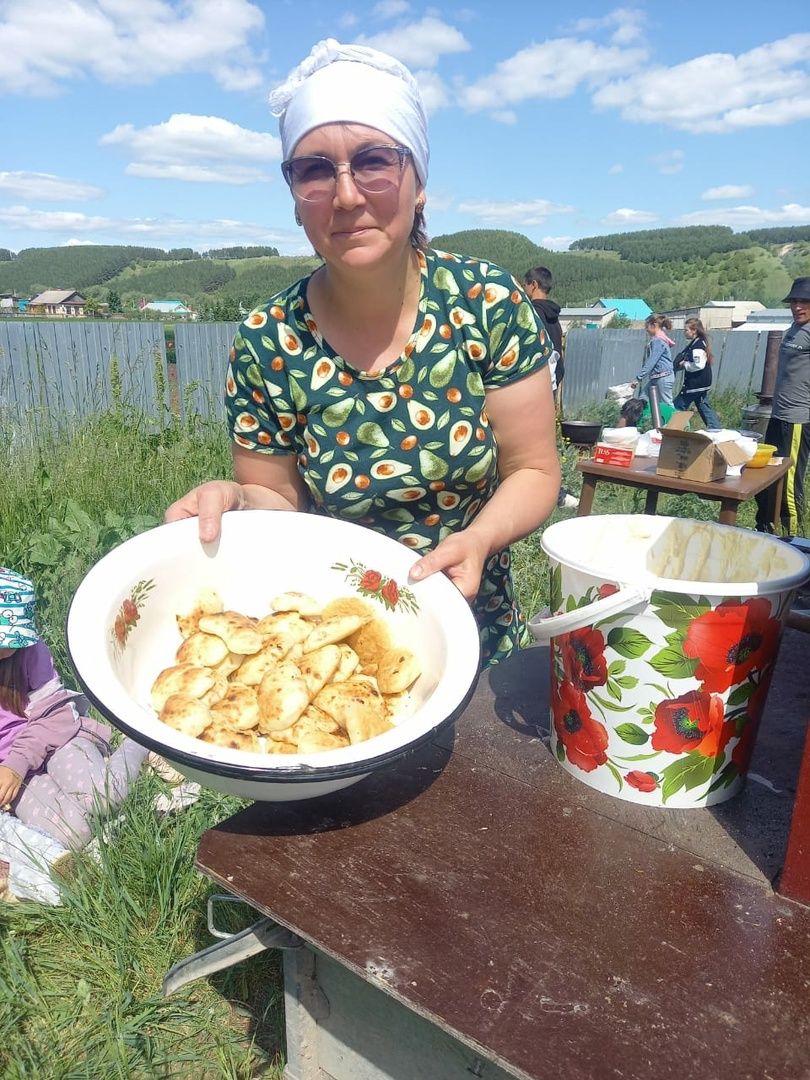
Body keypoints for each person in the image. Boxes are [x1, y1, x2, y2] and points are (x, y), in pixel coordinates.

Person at [165, 39, 560, 667]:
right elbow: (280, 500)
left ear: (419, 184)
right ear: (295, 197)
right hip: (334, 646)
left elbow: (536, 471)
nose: (346, 195)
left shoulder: (485, 301)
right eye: (315, 169)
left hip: (474, 634)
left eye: (374, 161)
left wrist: (481, 536)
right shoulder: (270, 338)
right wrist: (235, 499)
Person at [0, 568, 148, 850]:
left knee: (104, 796)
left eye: (12, 642)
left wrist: (16, 763)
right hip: (15, 775)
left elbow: (58, 717)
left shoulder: (30, 653)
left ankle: (138, 744)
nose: (9, 649)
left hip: (56, 742)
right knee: (70, 834)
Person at [755, 277, 810, 535]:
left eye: (804, 301)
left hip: (798, 418)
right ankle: (766, 527)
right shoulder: (794, 328)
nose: (798, 306)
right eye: (794, 301)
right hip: (779, 414)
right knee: (769, 472)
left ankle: (794, 539)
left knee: (788, 481)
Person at [673, 318, 721, 428]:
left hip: (695, 384)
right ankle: (716, 429)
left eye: (686, 330)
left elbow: (699, 365)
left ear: (694, 330)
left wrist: (685, 364)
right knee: (703, 406)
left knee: (678, 407)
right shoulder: (699, 342)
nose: (684, 332)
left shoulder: (697, 346)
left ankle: (674, 428)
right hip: (702, 384)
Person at [523, 267, 563, 401]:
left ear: (534, 284)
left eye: (525, 285)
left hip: (534, 385)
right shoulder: (555, 318)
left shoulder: (532, 314)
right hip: (551, 383)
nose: (524, 289)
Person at [633, 314, 675, 406]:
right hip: (657, 377)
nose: (646, 329)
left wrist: (639, 378)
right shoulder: (660, 339)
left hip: (663, 378)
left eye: (647, 326)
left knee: (667, 404)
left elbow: (652, 361)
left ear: (654, 325)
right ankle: (645, 420)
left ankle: (677, 420)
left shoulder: (658, 341)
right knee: (643, 399)